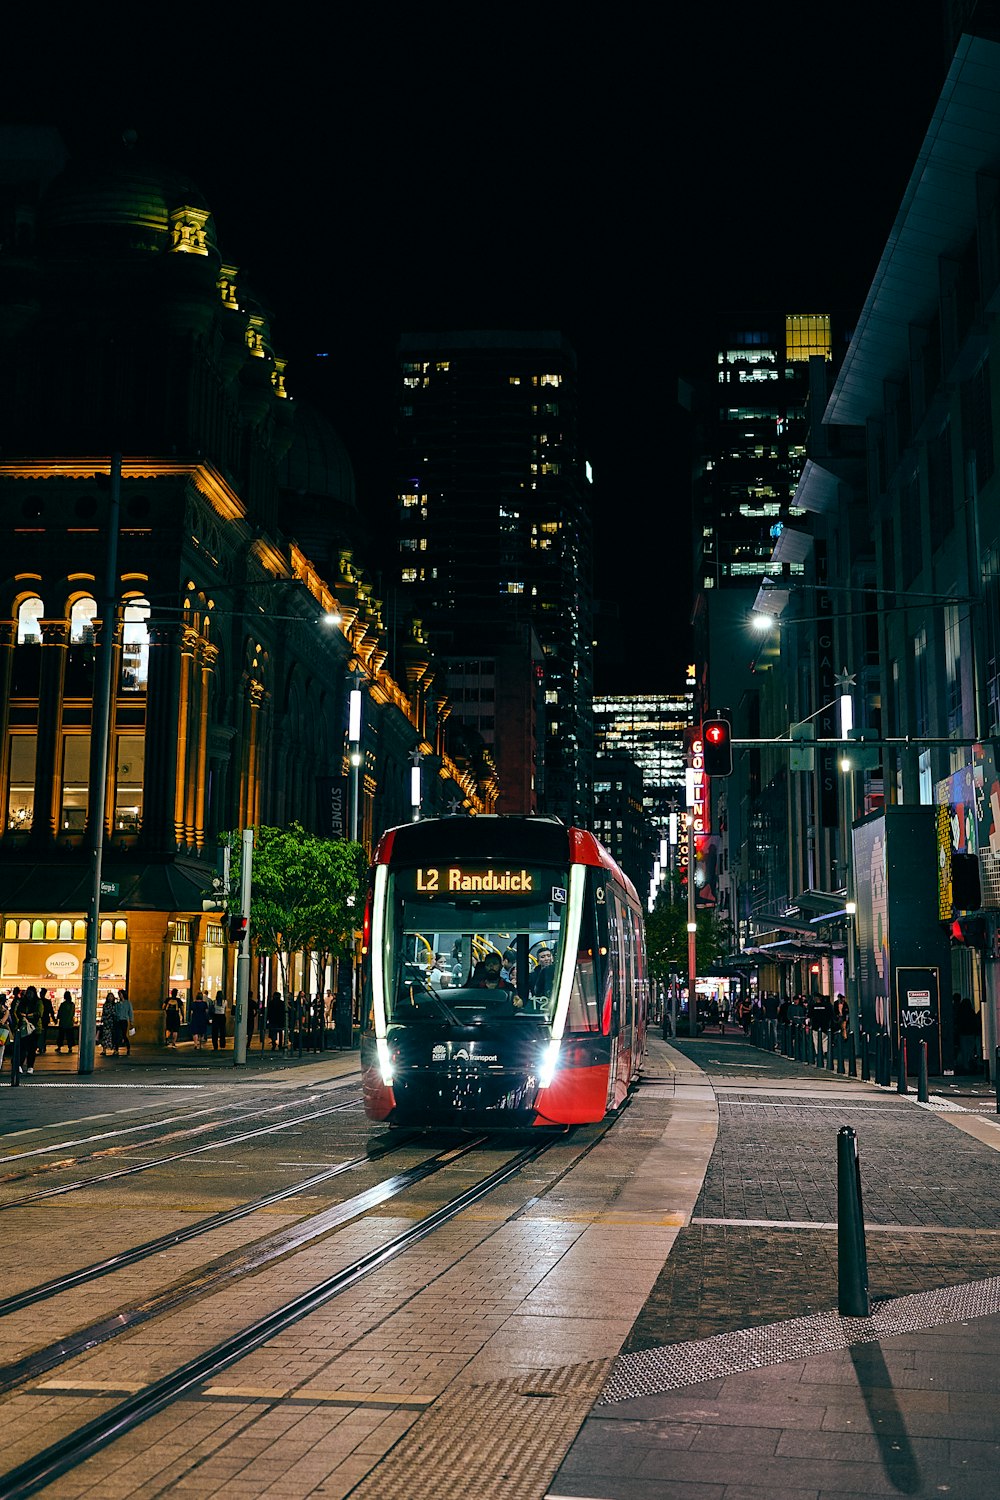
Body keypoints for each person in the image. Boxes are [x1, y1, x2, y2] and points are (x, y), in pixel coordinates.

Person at [17, 985, 42, 1073]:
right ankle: (20, 1065)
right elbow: (18, 1012)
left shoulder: (38, 1002)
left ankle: (30, 1066)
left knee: (32, 1048)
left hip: (34, 1028)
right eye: (28, 993)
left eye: (30, 993)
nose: (29, 995)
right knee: (23, 1047)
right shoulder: (23, 1002)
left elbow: (39, 1013)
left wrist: (27, 1015)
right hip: (24, 1027)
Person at [112, 989, 134, 1055]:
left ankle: (128, 1047)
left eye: (120, 994)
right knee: (117, 1035)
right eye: (119, 994)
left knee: (124, 1034)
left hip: (124, 1020)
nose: (119, 996)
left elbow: (130, 1012)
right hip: (118, 1020)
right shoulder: (117, 1004)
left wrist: (131, 1021)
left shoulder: (127, 1003)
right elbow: (115, 1011)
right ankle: (116, 1049)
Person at [38, 988, 56, 1054]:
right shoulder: (47, 1002)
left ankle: (40, 1046)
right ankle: (42, 1046)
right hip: (45, 1019)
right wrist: (54, 1020)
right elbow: (51, 1011)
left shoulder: (38, 1001)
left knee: (39, 1033)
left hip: (40, 1020)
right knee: (44, 1033)